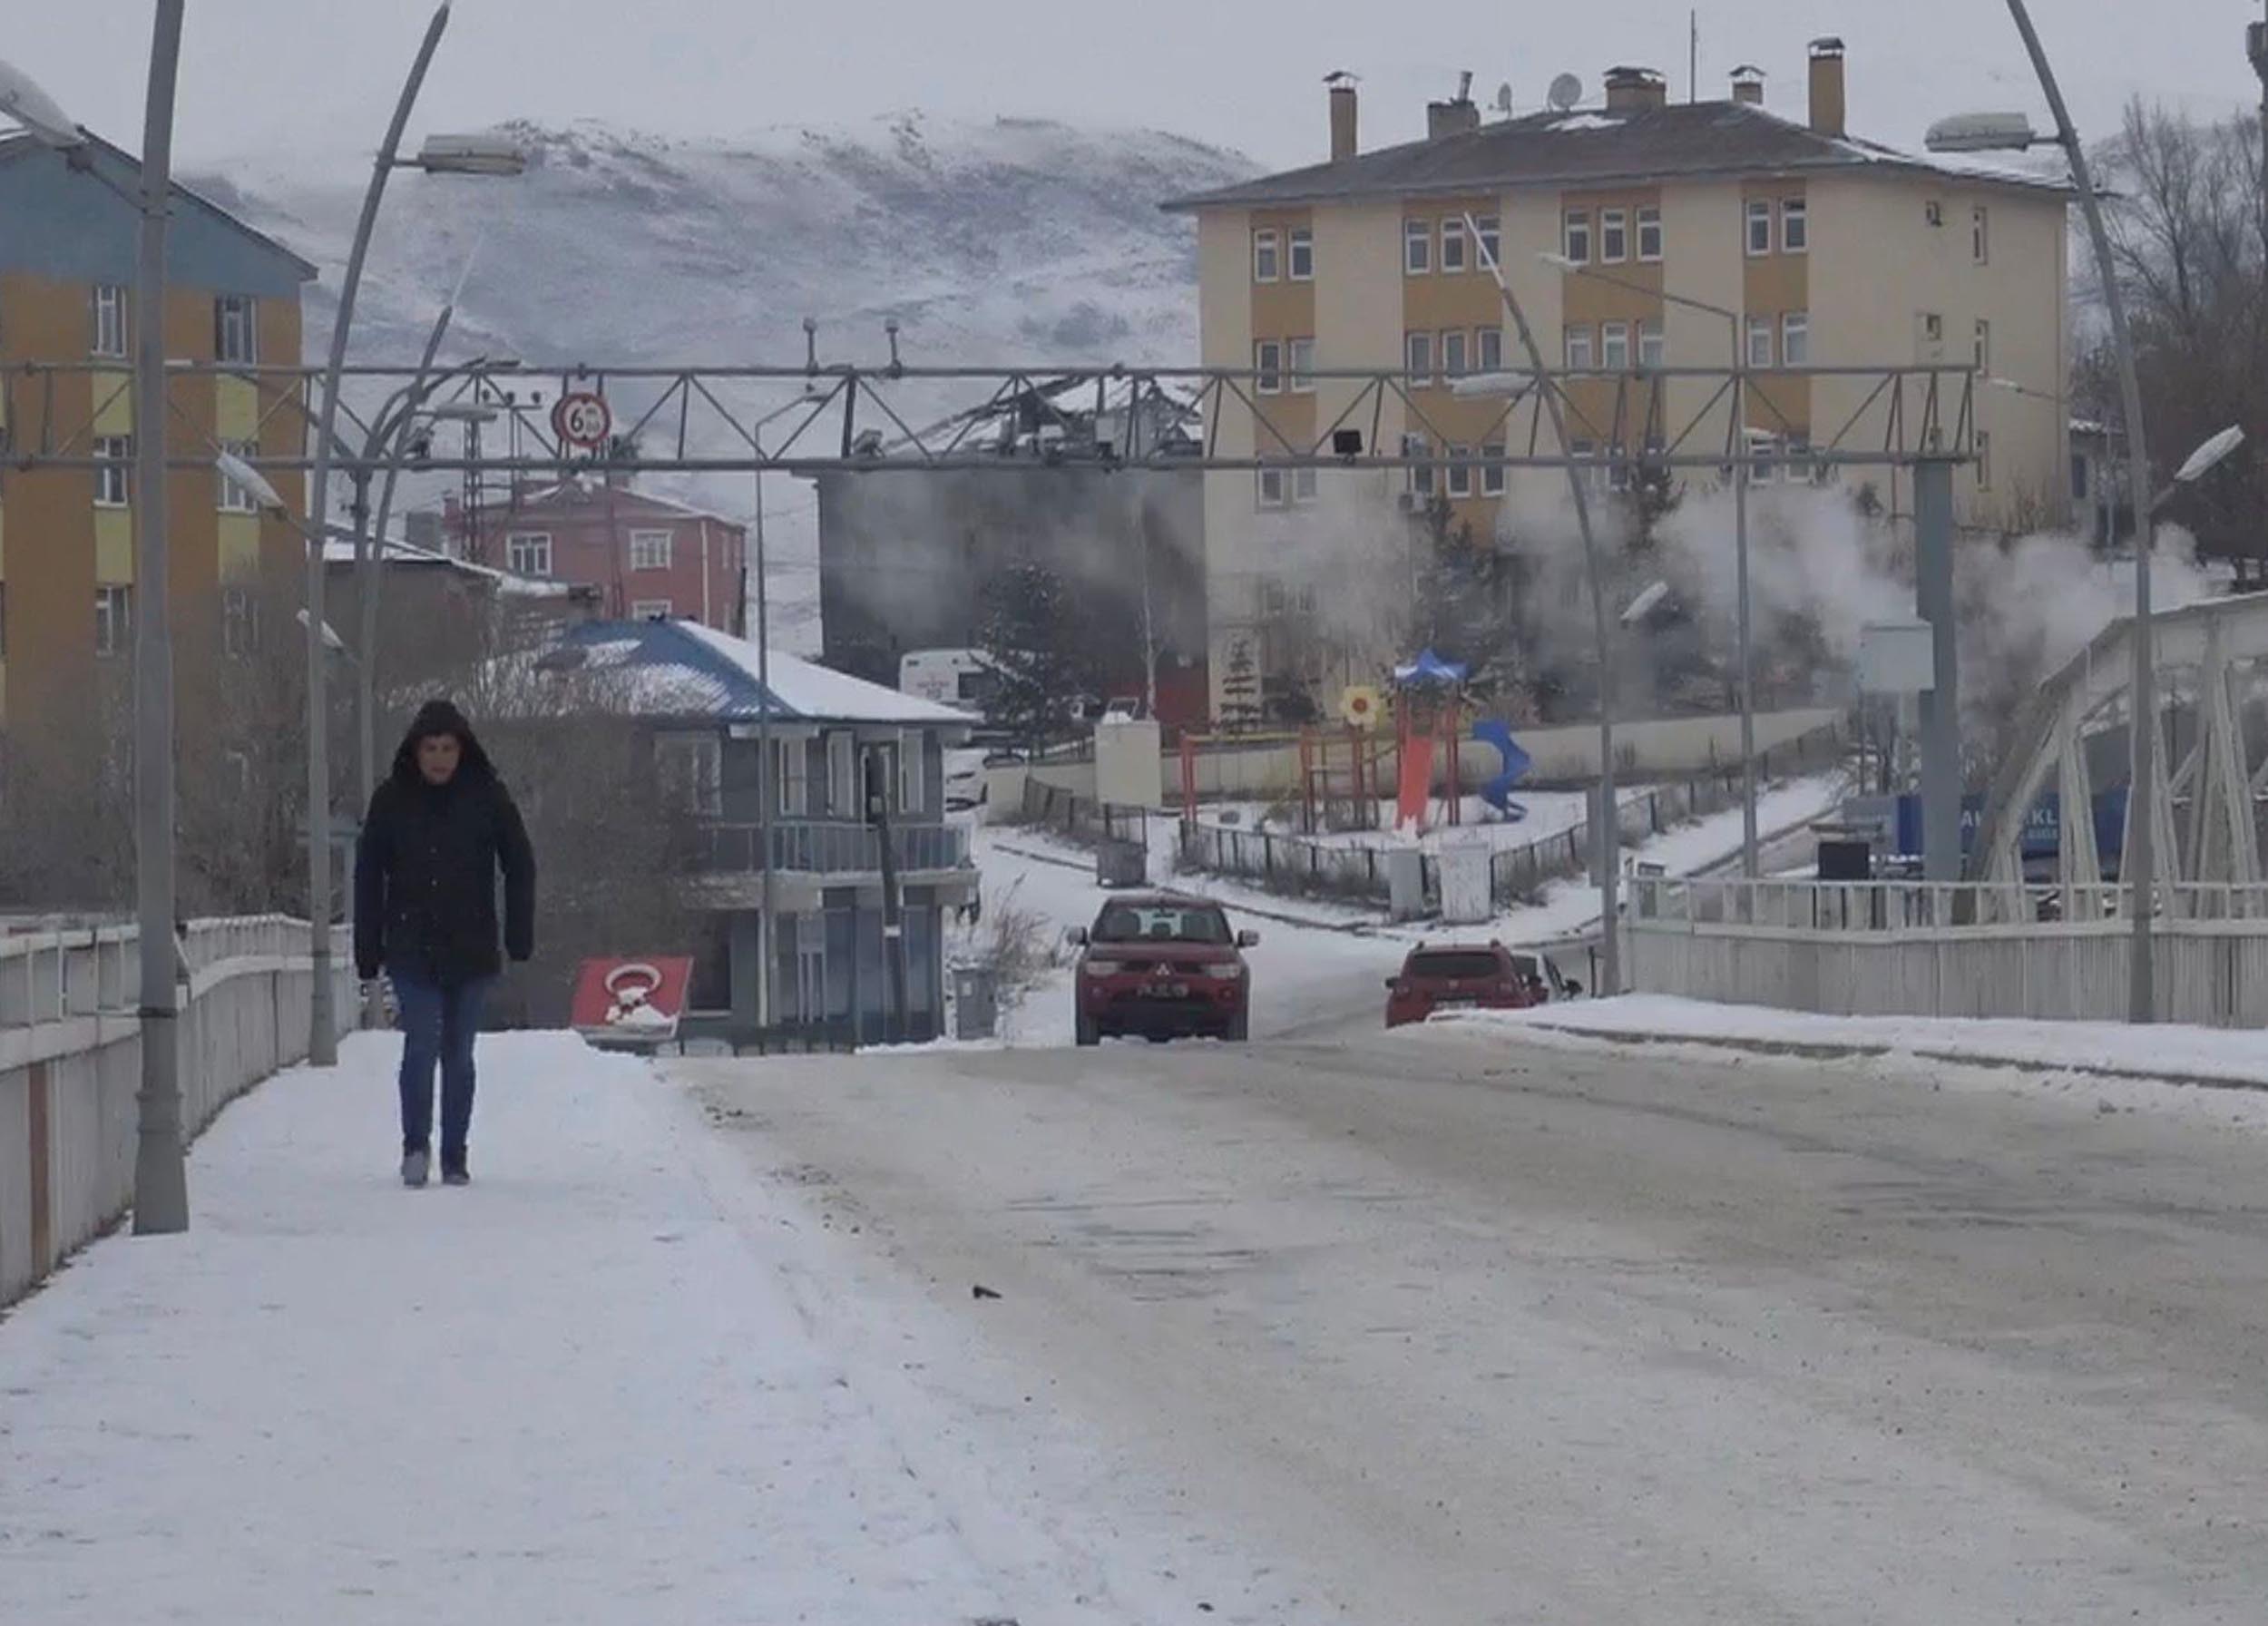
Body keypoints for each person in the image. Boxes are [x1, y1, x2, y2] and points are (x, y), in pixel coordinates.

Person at [355, 699, 536, 1188]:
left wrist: (520, 935)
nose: (438, 758)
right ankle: (416, 1147)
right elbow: (369, 876)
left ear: (463, 750)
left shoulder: (487, 797)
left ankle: (455, 1154)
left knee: (458, 1051)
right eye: (430, 748)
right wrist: (367, 951)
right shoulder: (392, 801)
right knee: (422, 1043)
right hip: (411, 947)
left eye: (447, 748)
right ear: (414, 751)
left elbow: (520, 863)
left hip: (471, 947)